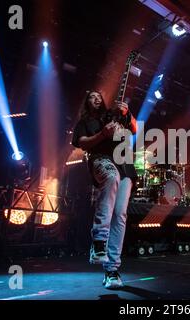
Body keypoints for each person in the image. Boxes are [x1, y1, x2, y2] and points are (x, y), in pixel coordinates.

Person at [72, 90, 137, 289]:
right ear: (87, 102)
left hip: (124, 164)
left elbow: (134, 129)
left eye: (99, 95)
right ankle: (99, 240)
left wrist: (126, 113)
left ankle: (112, 270)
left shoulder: (112, 116)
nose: (97, 98)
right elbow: (82, 143)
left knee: (120, 215)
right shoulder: (85, 123)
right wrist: (102, 134)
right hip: (101, 160)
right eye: (92, 96)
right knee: (111, 176)